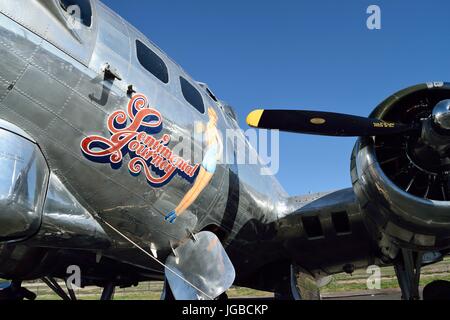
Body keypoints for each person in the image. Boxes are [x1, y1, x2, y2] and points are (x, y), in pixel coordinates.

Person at [165, 107, 222, 223]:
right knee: (197, 191)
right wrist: (217, 157)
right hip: (211, 159)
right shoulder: (214, 129)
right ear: (215, 118)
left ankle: (174, 212)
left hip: (206, 157)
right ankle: (176, 214)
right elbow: (220, 146)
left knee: (194, 188)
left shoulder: (207, 127)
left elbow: (205, 141)